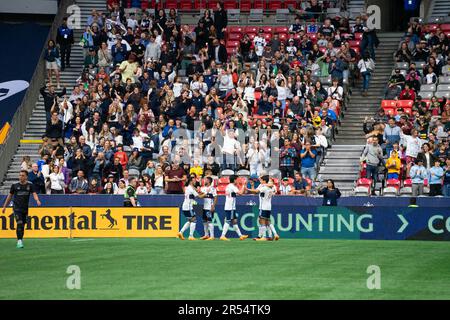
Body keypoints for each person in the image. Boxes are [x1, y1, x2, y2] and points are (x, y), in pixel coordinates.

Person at [2, 170, 42, 248]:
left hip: (25, 208)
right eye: (20, 175)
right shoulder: (14, 185)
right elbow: (9, 197)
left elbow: (34, 193)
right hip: (16, 208)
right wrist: (4, 206)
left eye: (23, 175)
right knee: (19, 223)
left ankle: (20, 239)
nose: (21, 177)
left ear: (26, 177)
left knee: (22, 225)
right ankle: (19, 241)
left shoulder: (30, 185)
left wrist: (37, 200)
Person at [246, 176, 279, 241]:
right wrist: (252, 186)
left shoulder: (264, 187)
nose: (260, 181)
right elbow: (273, 188)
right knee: (267, 221)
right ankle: (274, 234)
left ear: (264, 181)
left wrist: (247, 189)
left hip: (263, 206)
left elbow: (256, 191)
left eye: (261, 180)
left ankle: (263, 236)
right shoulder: (271, 187)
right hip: (269, 206)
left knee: (262, 221)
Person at [220, 175, 248, 241]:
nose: (238, 181)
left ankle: (240, 236)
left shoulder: (229, 186)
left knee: (234, 221)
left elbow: (240, 193)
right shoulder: (232, 186)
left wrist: (243, 188)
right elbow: (240, 193)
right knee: (228, 221)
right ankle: (222, 235)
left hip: (230, 206)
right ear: (234, 180)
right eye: (237, 179)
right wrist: (243, 185)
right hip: (230, 207)